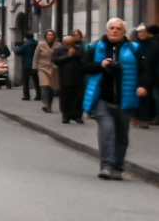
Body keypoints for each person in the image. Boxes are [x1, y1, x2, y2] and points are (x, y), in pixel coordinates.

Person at [87, 19, 140, 180]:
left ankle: (117, 167)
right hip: (102, 100)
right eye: (112, 28)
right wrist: (101, 65)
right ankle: (106, 166)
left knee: (121, 135)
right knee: (107, 131)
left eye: (118, 28)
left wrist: (144, 86)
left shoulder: (134, 48)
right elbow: (83, 67)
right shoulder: (95, 47)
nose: (114, 31)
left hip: (125, 100)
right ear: (107, 30)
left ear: (124, 32)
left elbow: (145, 70)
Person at [54, 32, 86, 125]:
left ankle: (77, 116)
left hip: (78, 76)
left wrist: (75, 54)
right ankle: (66, 115)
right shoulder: (59, 49)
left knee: (78, 97)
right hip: (64, 76)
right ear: (64, 43)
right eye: (67, 43)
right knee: (65, 97)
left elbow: (84, 59)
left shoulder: (79, 49)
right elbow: (56, 60)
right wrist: (68, 56)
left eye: (71, 43)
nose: (69, 45)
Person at [134, 25, 158, 129]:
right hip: (136, 73)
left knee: (147, 96)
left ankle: (144, 119)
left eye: (144, 32)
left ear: (147, 33)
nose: (142, 34)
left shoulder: (154, 45)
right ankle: (135, 116)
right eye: (140, 32)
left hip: (149, 73)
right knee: (136, 95)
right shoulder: (134, 45)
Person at [34, 30, 58, 113]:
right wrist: (34, 68)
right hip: (42, 68)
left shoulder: (58, 45)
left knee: (51, 87)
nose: (49, 37)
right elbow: (36, 57)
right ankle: (46, 104)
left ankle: (49, 105)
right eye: (48, 35)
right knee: (44, 86)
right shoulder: (41, 44)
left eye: (51, 35)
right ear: (45, 36)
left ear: (54, 36)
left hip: (53, 68)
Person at [15, 31, 39, 102]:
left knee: (26, 81)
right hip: (35, 64)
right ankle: (39, 95)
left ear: (26, 38)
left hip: (27, 64)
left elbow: (17, 52)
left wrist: (16, 47)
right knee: (36, 81)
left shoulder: (26, 45)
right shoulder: (36, 43)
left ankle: (26, 96)